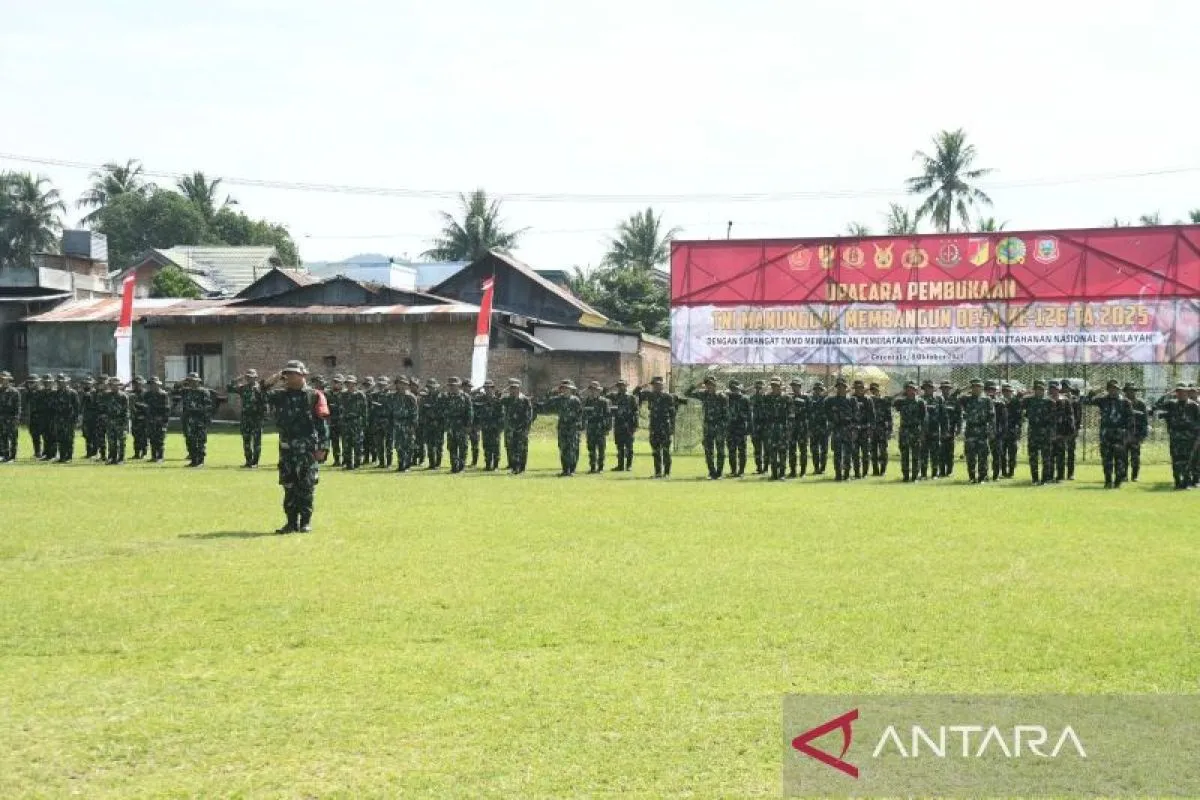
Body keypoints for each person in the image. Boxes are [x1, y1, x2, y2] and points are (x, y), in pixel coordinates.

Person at [262, 361, 330, 533]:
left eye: (293, 373)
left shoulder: (314, 395)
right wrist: (276, 378)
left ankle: (305, 522)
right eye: (287, 373)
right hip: (287, 448)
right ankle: (291, 523)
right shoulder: (280, 395)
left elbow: (322, 424)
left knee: (306, 486)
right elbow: (260, 393)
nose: (289, 376)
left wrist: (323, 447)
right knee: (289, 486)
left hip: (307, 449)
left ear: (303, 375)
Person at [1083, 379, 1135, 488]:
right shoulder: (1103, 400)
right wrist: (1093, 391)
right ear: (1107, 390)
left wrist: (1129, 436)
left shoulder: (1125, 402)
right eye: (1111, 388)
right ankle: (1108, 481)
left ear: (1118, 389)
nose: (1113, 391)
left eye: (1115, 388)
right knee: (1106, 459)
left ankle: (1118, 481)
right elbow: (1086, 401)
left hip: (1120, 435)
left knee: (1120, 460)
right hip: (1106, 435)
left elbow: (1130, 421)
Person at [634, 377, 685, 478]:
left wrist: (672, 427)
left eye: (659, 385)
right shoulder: (650, 395)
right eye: (655, 385)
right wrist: (642, 385)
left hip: (665, 426)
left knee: (666, 451)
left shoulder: (668, 397)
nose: (657, 387)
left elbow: (673, 413)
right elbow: (635, 393)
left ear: (662, 386)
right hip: (654, 427)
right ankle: (657, 472)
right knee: (656, 451)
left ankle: (666, 473)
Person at [1154, 383, 1200, 490]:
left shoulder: (1194, 406)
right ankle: (1178, 482)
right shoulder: (1171, 404)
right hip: (1175, 438)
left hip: (1189, 438)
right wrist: (1167, 394)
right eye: (1178, 392)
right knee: (1176, 461)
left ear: (1187, 393)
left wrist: (1198, 437)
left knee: (1188, 461)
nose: (1181, 394)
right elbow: (1156, 406)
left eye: (1183, 392)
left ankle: (1186, 483)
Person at [685, 375, 729, 480]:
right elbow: (687, 393)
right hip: (708, 426)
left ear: (715, 385)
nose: (710, 386)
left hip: (719, 426)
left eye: (712, 384)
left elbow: (726, 414)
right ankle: (712, 472)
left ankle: (719, 473)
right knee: (708, 450)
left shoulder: (721, 397)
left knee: (720, 451)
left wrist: (723, 427)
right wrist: (697, 385)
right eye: (708, 384)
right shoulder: (703, 395)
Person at [542, 379, 585, 476]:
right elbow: (546, 404)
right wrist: (551, 393)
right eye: (563, 388)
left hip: (573, 428)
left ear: (571, 390)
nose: (565, 390)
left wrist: (579, 426)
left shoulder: (575, 400)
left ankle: (572, 470)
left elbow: (580, 414)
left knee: (573, 448)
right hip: (562, 428)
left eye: (567, 388)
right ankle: (565, 470)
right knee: (563, 448)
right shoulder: (558, 399)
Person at [226, 369, 266, 468]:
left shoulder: (260, 388)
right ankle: (248, 461)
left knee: (256, 442)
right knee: (246, 440)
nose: (249, 379)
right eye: (248, 377)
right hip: (245, 418)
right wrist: (237, 380)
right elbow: (229, 388)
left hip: (257, 418)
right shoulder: (243, 388)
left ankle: (255, 462)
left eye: (251, 377)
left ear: (255, 377)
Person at [1017, 380, 1055, 485]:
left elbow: (1053, 419)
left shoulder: (1049, 402)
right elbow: (1018, 405)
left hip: (1045, 432)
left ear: (1044, 390)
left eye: (1041, 389)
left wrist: (1052, 433)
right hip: (1033, 431)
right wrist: (1021, 395)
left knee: (1046, 457)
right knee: (1033, 457)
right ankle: (1035, 479)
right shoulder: (1028, 400)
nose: (1039, 391)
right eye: (1037, 389)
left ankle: (1044, 479)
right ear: (1034, 390)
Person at [959, 378, 995, 484]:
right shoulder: (966, 399)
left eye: (978, 386)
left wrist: (991, 431)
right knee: (970, 456)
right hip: (970, 430)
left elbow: (992, 417)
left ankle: (982, 477)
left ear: (982, 388)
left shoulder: (987, 400)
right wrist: (964, 388)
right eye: (974, 386)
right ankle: (971, 477)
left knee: (983, 456)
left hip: (982, 430)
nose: (976, 389)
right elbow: (953, 398)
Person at [823, 378, 858, 482]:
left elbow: (856, 415)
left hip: (848, 428)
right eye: (838, 387)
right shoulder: (831, 400)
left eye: (842, 387)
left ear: (846, 387)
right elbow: (825, 410)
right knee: (837, 453)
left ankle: (846, 475)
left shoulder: (852, 400)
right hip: (837, 428)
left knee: (848, 453)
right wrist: (832, 418)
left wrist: (854, 428)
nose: (840, 389)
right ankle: (838, 474)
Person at [177, 372, 215, 467]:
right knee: (191, 441)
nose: (192, 383)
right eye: (190, 381)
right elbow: (175, 389)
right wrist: (184, 381)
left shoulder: (203, 392)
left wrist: (197, 410)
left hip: (200, 420)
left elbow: (208, 406)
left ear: (198, 382)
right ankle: (194, 461)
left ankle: (200, 461)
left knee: (200, 441)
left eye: (194, 381)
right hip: (189, 420)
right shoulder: (186, 391)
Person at [891, 381, 926, 482]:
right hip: (904, 430)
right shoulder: (901, 402)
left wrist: (923, 432)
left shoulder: (920, 402)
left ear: (915, 390)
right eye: (908, 389)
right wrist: (900, 393)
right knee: (904, 454)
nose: (910, 391)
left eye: (912, 389)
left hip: (915, 430)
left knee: (916, 454)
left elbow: (924, 419)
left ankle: (915, 476)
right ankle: (905, 476)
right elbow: (890, 401)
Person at [441, 376, 475, 473]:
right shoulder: (446, 397)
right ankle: (454, 466)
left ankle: (461, 466)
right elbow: (443, 410)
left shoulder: (465, 397)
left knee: (463, 446)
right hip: (451, 425)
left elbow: (470, 412)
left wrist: (468, 425)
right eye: (450, 385)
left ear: (458, 386)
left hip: (462, 425)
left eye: (453, 385)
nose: (451, 387)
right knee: (452, 446)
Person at [500, 378, 534, 474]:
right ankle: (515, 468)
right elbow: (498, 401)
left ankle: (522, 468)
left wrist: (526, 428)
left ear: (519, 389)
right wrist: (503, 392)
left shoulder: (525, 400)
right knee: (512, 448)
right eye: (511, 388)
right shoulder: (508, 399)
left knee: (522, 448)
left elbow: (529, 415)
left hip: (522, 428)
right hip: (511, 428)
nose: (513, 390)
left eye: (515, 388)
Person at [761, 377, 791, 481]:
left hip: (783, 428)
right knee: (772, 451)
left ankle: (782, 474)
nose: (774, 387)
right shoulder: (767, 397)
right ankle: (774, 474)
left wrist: (789, 429)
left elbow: (791, 414)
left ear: (780, 386)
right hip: (771, 428)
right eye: (773, 385)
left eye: (777, 385)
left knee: (782, 451)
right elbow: (763, 413)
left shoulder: (786, 398)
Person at [607, 379, 639, 472]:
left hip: (629, 425)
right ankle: (620, 466)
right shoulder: (614, 396)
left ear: (626, 386)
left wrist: (635, 425)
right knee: (619, 446)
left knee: (629, 447)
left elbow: (636, 412)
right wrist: (610, 387)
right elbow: (603, 395)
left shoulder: (631, 398)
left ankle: (629, 466)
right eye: (619, 386)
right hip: (618, 424)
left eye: (623, 385)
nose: (621, 387)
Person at [582, 381, 613, 473]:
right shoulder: (587, 401)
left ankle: (600, 467)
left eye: (595, 390)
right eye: (592, 390)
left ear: (599, 391)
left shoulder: (604, 402)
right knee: (591, 449)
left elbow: (608, 416)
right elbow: (583, 415)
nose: (593, 391)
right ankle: (592, 467)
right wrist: (583, 426)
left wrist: (608, 428)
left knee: (601, 449)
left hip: (601, 428)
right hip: (591, 428)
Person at [98, 376, 130, 465]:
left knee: (121, 441)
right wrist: (104, 418)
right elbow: (102, 407)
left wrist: (125, 422)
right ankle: (112, 458)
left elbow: (126, 410)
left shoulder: (123, 396)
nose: (114, 387)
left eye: (116, 385)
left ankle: (121, 459)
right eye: (112, 385)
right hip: (110, 421)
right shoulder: (106, 395)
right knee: (111, 441)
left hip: (120, 422)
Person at [474, 379, 504, 471]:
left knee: (495, 446)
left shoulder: (497, 400)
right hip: (485, 426)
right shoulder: (480, 399)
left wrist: (500, 427)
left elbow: (502, 414)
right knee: (486, 445)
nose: (487, 389)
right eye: (485, 388)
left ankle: (495, 465)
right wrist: (476, 390)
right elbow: (471, 400)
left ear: (492, 388)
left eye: (489, 388)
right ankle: (487, 464)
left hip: (495, 427)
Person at [391, 377, 420, 472]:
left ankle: (407, 465)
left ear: (406, 385)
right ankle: (400, 464)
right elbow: (391, 410)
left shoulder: (411, 397)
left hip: (408, 423)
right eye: (399, 383)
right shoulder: (393, 396)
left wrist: (413, 426)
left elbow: (415, 413)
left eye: (403, 384)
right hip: (397, 423)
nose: (401, 385)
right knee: (398, 445)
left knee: (409, 445)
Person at [1048, 381, 1075, 482]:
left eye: (1055, 389)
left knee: (1061, 456)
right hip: (1049, 432)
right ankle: (1049, 476)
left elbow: (1070, 416)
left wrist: (1070, 431)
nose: (1053, 391)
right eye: (1051, 389)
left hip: (1061, 432)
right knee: (1049, 455)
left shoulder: (1065, 401)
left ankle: (1060, 476)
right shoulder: (1046, 401)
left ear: (1058, 390)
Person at [50, 374, 80, 463]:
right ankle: (62, 456)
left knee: (69, 439)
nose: (60, 383)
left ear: (66, 382)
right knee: (60, 438)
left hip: (69, 420)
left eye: (62, 382)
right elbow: (52, 406)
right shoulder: (55, 393)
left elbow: (77, 407)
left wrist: (75, 419)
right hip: (58, 419)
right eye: (58, 382)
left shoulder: (72, 393)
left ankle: (69, 457)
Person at [338, 376, 366, 470]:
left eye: (351, 383)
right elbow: (340, 409)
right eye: (348, 383)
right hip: (346, 422)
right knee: (346, 444)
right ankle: (348, 464)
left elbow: (364, 410)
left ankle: (357, 463)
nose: (349, 385)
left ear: (355, 384)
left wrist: (364, 423)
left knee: (357, 444)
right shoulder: (343, 395)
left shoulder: (360, 395)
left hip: (356, 422)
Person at [850, 379, 876, 479]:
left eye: (860, 388)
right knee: (855, 453)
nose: (858, 390)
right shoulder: (851, 399)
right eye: (856, 388)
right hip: (854, 430)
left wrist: (871, 428)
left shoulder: (868, 400)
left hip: (865, 429)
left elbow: (872, 415)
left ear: (863, 388)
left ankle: (865, 473)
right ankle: (857, 473)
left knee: (866, 453)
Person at [725, 380, 751, 477]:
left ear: (739, 388)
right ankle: (733, 471)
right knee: (731, 450)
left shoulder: (745, 399)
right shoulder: (727, 398)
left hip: (741, 427)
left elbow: (750, 414)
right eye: (732, 388)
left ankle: (741, 471)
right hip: (730, 427)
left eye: (735, 388)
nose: (734, 390)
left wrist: (749, 428)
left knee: (742, 451)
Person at [919, 380, 944, 479]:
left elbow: (943, 415)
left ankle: (934, 473)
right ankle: (923, 473)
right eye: (926, 388)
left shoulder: (939, 399)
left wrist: (944, 429)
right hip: (923, 430)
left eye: (929, 387)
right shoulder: (920, 399)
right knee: (923, 453)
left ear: (933, 389)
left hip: (935, 430)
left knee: (935, 453)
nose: (927, 389)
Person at [1124, 382, 1149, 482]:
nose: (1130, 393)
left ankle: (1134, 476)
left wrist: (1143, 434)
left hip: (1136, 435)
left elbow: (1145, 420)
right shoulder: (1121, 402)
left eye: (1132, 391)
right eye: (1128, 391)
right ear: (1125, 392)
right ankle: (1123, 476)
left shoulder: (1140, 403)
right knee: (1123, 457)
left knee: (1135, 457)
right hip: (1124, 434)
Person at [142, 377, 170, 462]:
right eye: (151, 384)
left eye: (154, 384)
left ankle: (160, 457)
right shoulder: (147, 395)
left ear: (158, 384)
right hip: (150, 420)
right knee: (152, 438)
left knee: (160, 439)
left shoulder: (163, 394)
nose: (152, 386)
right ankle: (154, 456)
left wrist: (163, 420)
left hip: (160, 420)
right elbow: (144, 406)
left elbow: (167, 409)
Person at [369, 376, 394, 469]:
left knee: (389, 444)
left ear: (387, 385)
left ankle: (389, 463)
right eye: (380, 385)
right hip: (377, 422)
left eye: (383, 384)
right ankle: (381, 462)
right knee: (379, 444)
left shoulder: (391, 395)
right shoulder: (374, 395)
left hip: (388, 421)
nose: (382, 386)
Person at [938, 380, 961, 478]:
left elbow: (959, 415)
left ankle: (949, 471)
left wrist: (959, 428)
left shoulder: (955, 401)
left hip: (951, 429)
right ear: (941, 389)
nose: (945, 390)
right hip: (939, 429)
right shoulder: (938, 399)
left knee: (950, 452)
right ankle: (941, 471)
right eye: (944, 388)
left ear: (950, 389)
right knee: (940, 452)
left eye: (947, 388)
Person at [984, 380, 1007, 480]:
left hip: (997, 432)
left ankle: (996, 475)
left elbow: (1004, 420)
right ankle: (984, 474)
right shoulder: (982, 401)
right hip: (982, 432)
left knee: (997, 454)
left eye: (992, 389)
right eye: (988, 389)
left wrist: (1002, 432)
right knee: (983, 455)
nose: (990, 391)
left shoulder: (1000, 403)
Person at [869, 382, 892, 477]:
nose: (874, 392)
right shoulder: (869, 401)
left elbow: (889, 417)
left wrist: (889, 430)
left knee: (883, 451)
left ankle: (883, 470)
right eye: (872, 390)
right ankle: (875, 470)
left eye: (875, 390)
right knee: (873, 451)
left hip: (882, 428)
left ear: (879, 390)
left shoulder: (884, 401)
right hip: (872, 429)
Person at [788, 380, 809, 479]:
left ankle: (803, 472)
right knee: (792, 450)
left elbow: (810, 411)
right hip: (792, 427)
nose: (793, 388)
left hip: (802, 427)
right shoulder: (789, 398)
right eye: (792, 386)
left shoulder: (806, 397)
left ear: (800, 386)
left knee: (803, 450)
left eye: (795, 386)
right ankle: (792, 471)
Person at [1000, 383, 1022, 478]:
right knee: (1002, 453)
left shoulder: (1016, 402)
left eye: (1008, 391)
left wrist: (1018, 430)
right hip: (1001, 431)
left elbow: (1019, 417)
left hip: (1012, 430)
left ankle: (1011, 471)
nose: (1007, 393)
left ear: (1011, 392)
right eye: (1005, 391)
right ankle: (1003, 472)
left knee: (1012, 453)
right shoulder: (999, 402)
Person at [421, 378, 445, 469]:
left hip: (439, 424)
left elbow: (444, 411)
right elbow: (422, 410)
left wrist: (438, 420)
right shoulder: (425, 397)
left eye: (432, 387)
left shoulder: (442, 397)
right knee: (430, 445)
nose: (431, 389)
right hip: (428, 424)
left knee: (438, 445)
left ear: (436, 387)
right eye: (429, 387)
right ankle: (431, 463)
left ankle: (438, 463)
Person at [807, 382, 829, 475]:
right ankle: (816, 468)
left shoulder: (826, 400)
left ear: (821, 390)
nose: (817, 391)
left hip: (824, 427)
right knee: (814, 449)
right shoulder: (810, 399)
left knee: (824, 449)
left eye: (819, 389)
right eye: (816, 389)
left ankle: (822, 468)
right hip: (813, 428)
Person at [749, 379, 769, 474]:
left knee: (767, 449)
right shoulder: (752, 398)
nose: (758, 389)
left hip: (766, 426)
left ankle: (765, 468)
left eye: (760, 387)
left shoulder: (768, 398)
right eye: (757, 388)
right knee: (757, 449)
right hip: (755, 426)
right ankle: (759, 468)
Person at [0, 370, 19, 462]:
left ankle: (12, 457)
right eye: (2, 379)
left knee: (13, 438)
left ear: (8, 380)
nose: (3, 380)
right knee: (3, 437)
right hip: (1, 418)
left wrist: (16, 418)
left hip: (11, 418)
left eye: (5, 379)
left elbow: (17, 407)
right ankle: (5, 456)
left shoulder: (14, 392)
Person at [129, 376, 149, 460]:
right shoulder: (131, 394)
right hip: (135, 418)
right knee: (135, 436)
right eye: (135, 384)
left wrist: (139, 406)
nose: (137, 385)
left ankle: (144, 452)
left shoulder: (146, 394)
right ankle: (136, 453)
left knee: (144, 436)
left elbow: (148, 406)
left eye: (138, 384)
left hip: (144, 419)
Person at [326, 375, 344, 466]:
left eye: (338, 382)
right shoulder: (328, 394)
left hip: (344, 422)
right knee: (335, 442)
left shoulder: (345, 394)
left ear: (341, 383)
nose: (336, 384)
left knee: (346, 442)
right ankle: (337, 460)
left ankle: (346, 460)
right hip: (333, 422)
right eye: (334, 382)